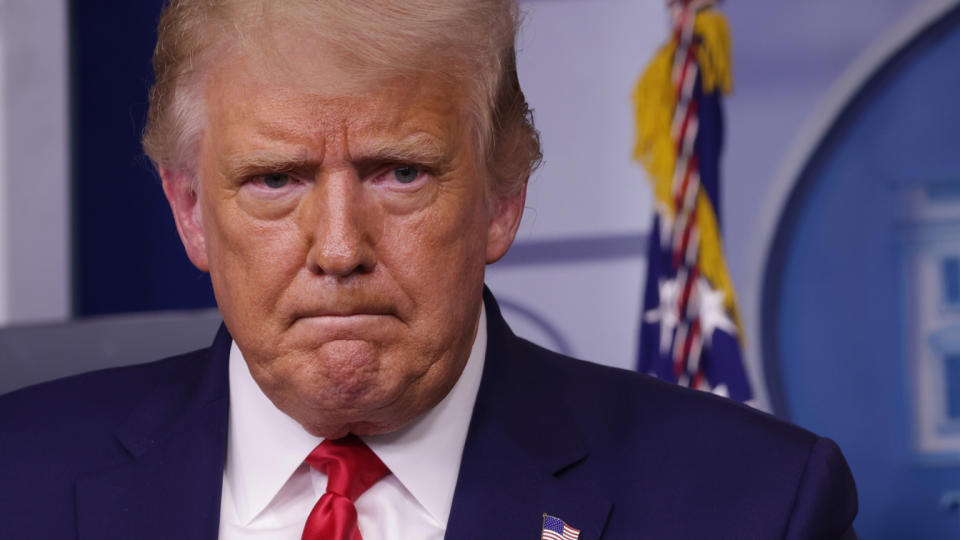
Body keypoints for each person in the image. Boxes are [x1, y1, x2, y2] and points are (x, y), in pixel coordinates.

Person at [0, 1, 858, 538]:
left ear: (503, 197)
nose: (339, 249)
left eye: (400, 172)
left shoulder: (755, 506)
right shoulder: (16, 482)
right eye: (275, 179)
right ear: (189, 210)